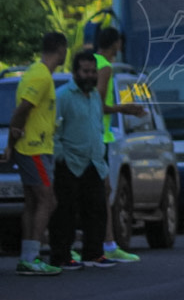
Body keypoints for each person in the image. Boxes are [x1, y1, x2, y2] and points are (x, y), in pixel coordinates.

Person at [3, 32, 67, 275]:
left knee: (33, 202)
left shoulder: (35, 72)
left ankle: (27, 256)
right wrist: (11, 141)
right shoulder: (40, 76)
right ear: (61, 50)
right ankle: (32, 256)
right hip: (34, 148)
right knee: (47, 200)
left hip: (34, 147)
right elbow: (22, 110)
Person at [48, 50, 116, 270]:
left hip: (93, 162)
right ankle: (61, 256)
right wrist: (62, 158)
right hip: (70, 162)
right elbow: (54, 131)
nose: (90, 76)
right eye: (85, 71)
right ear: (75, 72)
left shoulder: (95, 95)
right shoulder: (63, 96)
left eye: (93, 71)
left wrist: (100, 159)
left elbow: (96, 127)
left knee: (97, 208)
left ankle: (94, 253)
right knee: (65, 213)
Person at [94, 27, 146, 262]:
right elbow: (97, 104)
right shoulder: (104, 66)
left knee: (97, 191)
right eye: (119, 43)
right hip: (99, 137)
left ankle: (103, 243)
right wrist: (126, 108)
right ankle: (107, 244)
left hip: (92, 135)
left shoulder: (90, 61)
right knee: (104, 192)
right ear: (115, 43)